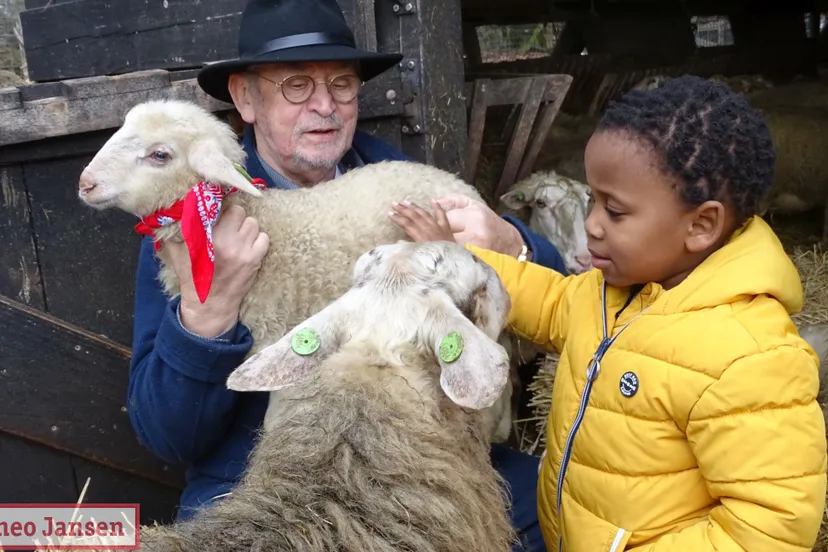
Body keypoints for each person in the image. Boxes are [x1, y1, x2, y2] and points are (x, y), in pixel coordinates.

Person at [127, 0, 565, 550]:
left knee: (563, 508)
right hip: (264, 487)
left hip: (425, 467)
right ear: (246, 98)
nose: (325, 107)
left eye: (341, 84)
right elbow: (168, 435)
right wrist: (207, 316)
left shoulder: (401, 186)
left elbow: (567, 299)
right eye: (295, 86)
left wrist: (510, 244)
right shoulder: (193, 230)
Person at [389, 74, 828, 551]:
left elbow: (769, 527)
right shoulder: (611, 291)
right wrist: (460, 262)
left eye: (614, 211)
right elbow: (553, 301)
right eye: (591, 200)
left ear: (701, 225)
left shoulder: (747, 356)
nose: (591, 226)